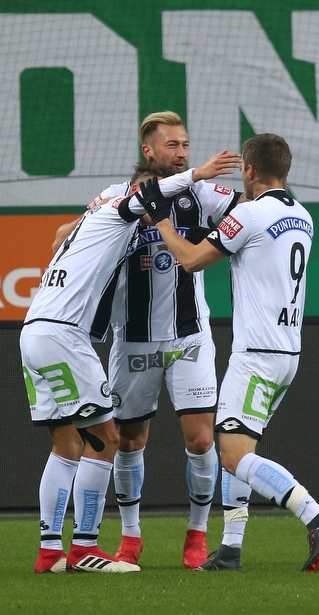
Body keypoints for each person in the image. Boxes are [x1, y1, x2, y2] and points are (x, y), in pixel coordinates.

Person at [138, 133, 319, 573]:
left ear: (249, 171)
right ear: (284, 170)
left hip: (255, 352)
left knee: (232, 456)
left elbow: (192, 260)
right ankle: (230, 550)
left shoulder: (248, 215)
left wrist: (161, 221)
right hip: (288, 351)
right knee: (242, 450)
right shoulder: (303, 216)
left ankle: (317, 517)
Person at [25, 153, 238, 574]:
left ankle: (50, 551)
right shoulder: (117, 211)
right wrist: (196, 174)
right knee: (106, 441)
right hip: (67, 335)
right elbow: (145, 198)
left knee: (67, 445)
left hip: (36, 331)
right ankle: (86, 548)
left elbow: (59, 236)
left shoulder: (91, 222)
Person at [88, 111, 242, 569]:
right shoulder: (118, 198)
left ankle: (196, 535)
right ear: (148, 150)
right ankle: (130, 537)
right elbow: (73, 235)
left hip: (189, 336)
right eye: (171, 145)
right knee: (130, 442)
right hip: (132, 342)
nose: (181, 154)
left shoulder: (203, 194)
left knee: (199, 441)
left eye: (185, 145)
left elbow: (253, 210)